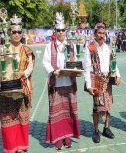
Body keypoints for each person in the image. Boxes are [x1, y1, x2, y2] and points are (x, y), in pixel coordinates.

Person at [43, 12, 80, 150]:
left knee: (69, 110)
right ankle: (58, 138)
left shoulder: (71, 45)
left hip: (69, 83)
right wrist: (53, 71)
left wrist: (75, 68)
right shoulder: (49, 46)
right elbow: (45, 62)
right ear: (55, 31)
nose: (60, 32)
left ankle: (67, 136)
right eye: (58, 30)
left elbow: (75, 61)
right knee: (56, 112)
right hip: (57, 84)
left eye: (63, 30)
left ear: (66, 31)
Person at [0, 15, 35, 153]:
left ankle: (21, 146)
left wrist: (23, 73)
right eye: (14, 32)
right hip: (5, 89)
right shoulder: (3, 48)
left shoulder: (26, 50)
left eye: (19, 32)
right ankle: (10, 147)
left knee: (22, 117)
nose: (17, 34)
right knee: (7, 118)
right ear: (9, 32)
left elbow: (31, 67)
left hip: (22, 87)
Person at [83, 22, 121, 143]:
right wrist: (88, 85)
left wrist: (118, 75)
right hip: (96, 81)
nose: (101, 35)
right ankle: (96, 130)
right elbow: (87, 67)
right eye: (99, 33)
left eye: (103, 33)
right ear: (95, 33)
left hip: (107, 80)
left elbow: (113, 63)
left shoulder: (107, 47)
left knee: (108, 106)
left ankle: (106, 128)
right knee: (97, 107)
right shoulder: (90, 48)